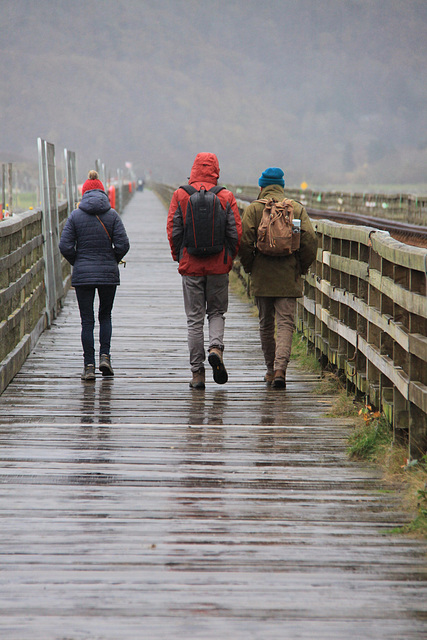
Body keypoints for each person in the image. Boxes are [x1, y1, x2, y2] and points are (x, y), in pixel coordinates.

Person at [167, 152, 242, 390]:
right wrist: (228, 259)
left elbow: (173, 230)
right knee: (217, 312)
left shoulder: (181, 195)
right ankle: (216, 348)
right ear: (215, 170)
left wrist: (179, 257)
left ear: (194, 169)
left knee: (194, 320)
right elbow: (235, 232)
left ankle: (198, 374)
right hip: (218, 265)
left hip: (191, 266)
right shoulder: (225, 196)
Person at [238, 167, 317, 389]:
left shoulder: (254, 209)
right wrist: (300, 267)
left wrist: (250, 266)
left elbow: (243, 241)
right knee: (285, 324)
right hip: (288, 274)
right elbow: (310, 240)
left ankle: (270, 370)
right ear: (282, 187)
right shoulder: (296, 209)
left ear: (261, 187)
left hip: (262, 276)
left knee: (265, 324)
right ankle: (281, 370)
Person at [59, 170, 130, 380]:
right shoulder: (112, 215)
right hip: (108, 273)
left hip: (83, 275)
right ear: (103, 192)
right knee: (105, 316)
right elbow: (124, 244)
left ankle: (89, 366)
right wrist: (112, 258)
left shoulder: (75, 215)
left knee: (87, 321)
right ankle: (105, 357)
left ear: (84, 194)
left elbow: (64, 245)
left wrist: (77, 261)